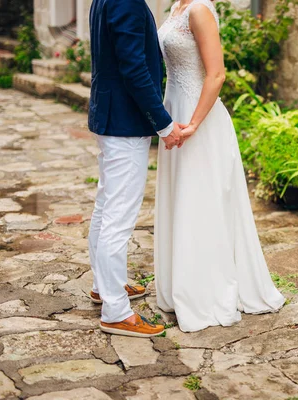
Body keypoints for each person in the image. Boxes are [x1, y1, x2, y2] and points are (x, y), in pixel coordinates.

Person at [154, 0, 285, 332]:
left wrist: (194, 123)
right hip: (174, 110)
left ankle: (205, 292)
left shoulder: (198, 9)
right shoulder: (175, 7)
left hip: (199, 118)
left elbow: (216, 74)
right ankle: (181, 283)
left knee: (201, 202)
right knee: (182, 201)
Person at [87, 0, 187, 337]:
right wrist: (163, 123)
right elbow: (133, 67)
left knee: (105, 207)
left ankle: (105, 287)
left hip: (110, 114)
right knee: (118, 216)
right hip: (125, 123)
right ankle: (115, 311)